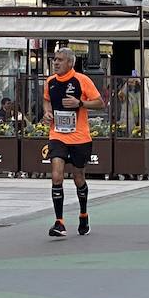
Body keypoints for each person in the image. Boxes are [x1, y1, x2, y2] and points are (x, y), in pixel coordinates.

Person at [43, 48, 105, 237]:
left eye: (60, 60)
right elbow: (46, 100)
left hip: (80, 137)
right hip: (57, 135)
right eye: (55, 59)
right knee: (56, 175)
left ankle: (83, 215)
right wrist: (47, 112)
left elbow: (100, 103)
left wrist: (81, 103)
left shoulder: (82, 80)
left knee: (78, 178)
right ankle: (59, 222)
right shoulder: (50, 81)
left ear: (70, 63)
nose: (56, 63)